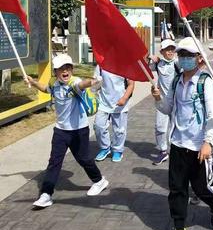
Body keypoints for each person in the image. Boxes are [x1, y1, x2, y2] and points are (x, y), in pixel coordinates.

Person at [152, 37, 213, 230]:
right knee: (177, 189)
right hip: (178, 142)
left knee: (201, 189)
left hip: (199, 146)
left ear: (199, 59)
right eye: (181, 55)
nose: (184, 59)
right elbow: (167, 109)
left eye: (188, 56)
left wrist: (208, 142)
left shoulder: (205, 82)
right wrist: (157, 98)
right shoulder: (176, 81)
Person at [25, 54, 109, 208]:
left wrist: (92, 81)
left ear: (71, 69)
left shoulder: (74, 82)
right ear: (55, 72)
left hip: (79, 130)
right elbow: (46, 89)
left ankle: (99, 181)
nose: (65, 71)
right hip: (60, 131)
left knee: (83, 159)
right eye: (61, 69)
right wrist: (33, 82)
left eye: (68, 68)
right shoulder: (54, 83)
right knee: (54, 162)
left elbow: (82, 85)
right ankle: (46, 194)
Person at [93, 66, 135, 163]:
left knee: (119, 130)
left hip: (120, 104)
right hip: (103, 102)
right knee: (98, 126)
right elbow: (96, 82)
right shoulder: (100, 65)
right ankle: (105, 148)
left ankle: (117, 150)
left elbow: (131, 84)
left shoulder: (126, 64)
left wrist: (124, 98)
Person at [150, 40, 179, 165]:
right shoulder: (158, 64)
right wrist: (148, 57)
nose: (171, 52)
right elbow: (144, 68)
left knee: (176, 127)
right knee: (160, 127)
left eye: (172, 49)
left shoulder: (178, 64)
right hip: (161, 101)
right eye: (167, 49)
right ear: (162, 51)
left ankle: (177, 150)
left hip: (177, 101)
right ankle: (163, 151)